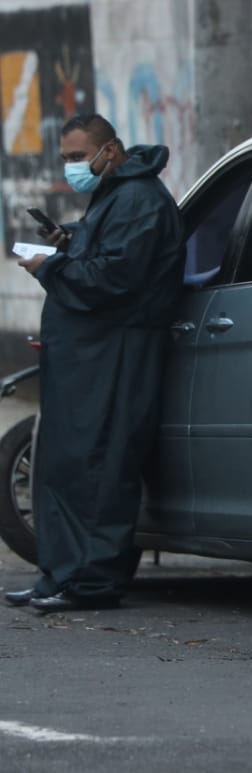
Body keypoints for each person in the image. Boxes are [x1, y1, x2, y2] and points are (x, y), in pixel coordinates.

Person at [4, 114, 184, 612]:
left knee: (99, 466)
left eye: (79, 157)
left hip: (115, 355)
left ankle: (91, 580)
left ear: (111, 151)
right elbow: (103, 253)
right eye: (65, 158)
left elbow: (115, 278)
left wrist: (54, 266)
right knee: (67, 465)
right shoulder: (115, 196)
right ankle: (60, 576)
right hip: (87, 357)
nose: (72, 168)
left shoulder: (140, 200)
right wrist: (71, 241)